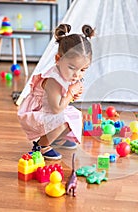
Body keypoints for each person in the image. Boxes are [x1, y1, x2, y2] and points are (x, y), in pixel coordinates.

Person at [18, 23, 95, 160]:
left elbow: (61, 101)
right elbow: (56, 108)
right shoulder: (53, 80)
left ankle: (57, 139)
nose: (77, 75)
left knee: (74, 115)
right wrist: (71, 92)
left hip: (48, 109)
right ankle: (41, 146)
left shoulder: (66, 73)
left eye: (83, 70)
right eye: (72, 67)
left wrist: (71, 95)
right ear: (58, 59)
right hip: (36, 113)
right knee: (63, 119)